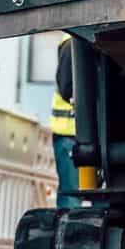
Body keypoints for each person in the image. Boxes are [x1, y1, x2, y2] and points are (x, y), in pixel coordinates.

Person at [52, 35, 79, 208]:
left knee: (73, 194)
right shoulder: (71, 43)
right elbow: (67, 87)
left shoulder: (73, 41)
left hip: (75, 134)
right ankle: (69, 234)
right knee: (72, 195)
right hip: (69, 133)